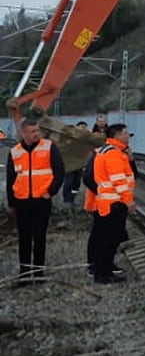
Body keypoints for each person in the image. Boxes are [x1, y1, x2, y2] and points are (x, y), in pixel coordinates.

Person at [5, 116, 65, 284]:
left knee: (39, 237)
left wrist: (51, 192)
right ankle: (24, 274)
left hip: (41, 200)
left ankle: (39, 273)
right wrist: (11, 203)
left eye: (37, 130)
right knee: (24, 239)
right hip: (22, 202)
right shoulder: (15, 151)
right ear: (23, 133)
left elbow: (59, 172)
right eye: (32, 132)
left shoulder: (49, 147)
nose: (36, 134)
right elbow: (11, 180)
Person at [90, 123, 135, 284]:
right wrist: (129, 202)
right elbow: (119, 181)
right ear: (117, 135)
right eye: (126, 133)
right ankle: (104, 274)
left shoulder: (105, 150)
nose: (128, 136)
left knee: (105, 240)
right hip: (114, 203)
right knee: (108, 241)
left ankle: (103, 271)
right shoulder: (113, 154)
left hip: (106, 203)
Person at [59, 121, 89, 207]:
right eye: (81, 127)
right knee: (69, 181)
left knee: (77, 183)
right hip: (69, 165)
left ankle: (72, 199)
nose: (83, 129)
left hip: (79, 165)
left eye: (84, 127)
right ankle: (67, 200)